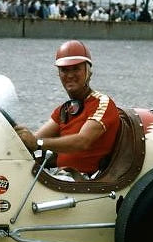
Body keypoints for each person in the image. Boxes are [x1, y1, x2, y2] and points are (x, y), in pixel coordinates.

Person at [14, 40, 121, 176]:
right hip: (60, 178)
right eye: (64, 70)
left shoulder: (102, 103)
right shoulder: (64, 110)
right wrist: (19, 137)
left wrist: (37, 143)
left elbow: (82, 141)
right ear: (59, 74)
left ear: (88, 72)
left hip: (83, 183)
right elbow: (34, 140)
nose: (70, 75)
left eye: (76, 69)